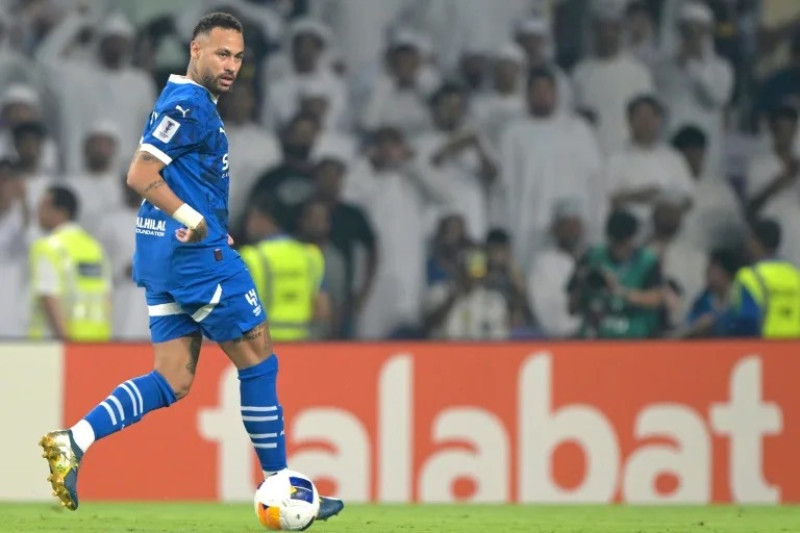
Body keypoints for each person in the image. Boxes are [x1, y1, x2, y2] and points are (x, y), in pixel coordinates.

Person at [38, 13, 344, 521]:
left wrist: (192, 216)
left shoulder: (183, 101)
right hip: (196, 258)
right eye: (222, 54)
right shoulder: (190, 103)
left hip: (163, 255)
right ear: (195, 49)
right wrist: (193, 218)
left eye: (239, 57)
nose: (232, 66)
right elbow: (139, 173)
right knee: (259, 359)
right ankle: (282, 486)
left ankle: (74, 440)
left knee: (173, 378)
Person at [499, 67, 603, 270]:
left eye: (547, 89)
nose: (542, 95)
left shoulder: (578, 129)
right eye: (536, 90)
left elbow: (594, 180)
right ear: (527, 94)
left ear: (556, 93)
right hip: (529, 224)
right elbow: (506, 184)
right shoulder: (513, 133)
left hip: (573, 225)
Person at [653, 1, 733, 176]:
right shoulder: (665, 68)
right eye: (688, 32)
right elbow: (661, 100)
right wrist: (681, 62)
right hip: (673, 142)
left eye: (699, 32)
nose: (693, 38)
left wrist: (695, 65)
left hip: (707, 146)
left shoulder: (721, 68)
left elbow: (716, 96)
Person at [239, 195, 331, 341]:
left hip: (262, 344)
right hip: (303, 343)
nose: (248, 225)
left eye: (252, 218)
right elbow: (322, 310)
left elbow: (238, 309)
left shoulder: (251, 257)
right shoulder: (311, 256)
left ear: (264, 219)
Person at [415, 81, 498, 240]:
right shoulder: (421, 142)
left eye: (458, 106)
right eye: (448, 106)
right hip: (437, 220)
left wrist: (478, 147)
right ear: (435, 108)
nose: (453, 112)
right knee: (442, 263)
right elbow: (431, 164)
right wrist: (454, 146)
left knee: (476, 263)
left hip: (473, 219)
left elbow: (493, 175)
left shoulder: (475, 138)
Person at [28, 185, 111, 341]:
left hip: (56, 349)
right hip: (98, 344)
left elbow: (49, 297)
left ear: (61, 211)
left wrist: (68, 345)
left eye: (43, 206)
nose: (38, 212)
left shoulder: (48, 247)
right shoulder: (95, 248)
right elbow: (107, 298)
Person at [571, 3, 654, 154]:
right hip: (588, 151)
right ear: (594, 32)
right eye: (602, 29)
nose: (607, 35)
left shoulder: (638, 72)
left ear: (620, 32)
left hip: (626, 153)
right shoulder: (580, 72)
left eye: (612, 29)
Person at [568, 210, 664, 339]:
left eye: (623, 243)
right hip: (596, 333)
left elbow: (657, 298)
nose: (620, 249)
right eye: (615, 243)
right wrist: (585, 286)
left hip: (636, 335)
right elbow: (571, 308)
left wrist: (619, 291)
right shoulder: (592, 257)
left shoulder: (647, 261)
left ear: (632, 239)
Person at [313, 149, 378, 338]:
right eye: (325, 175)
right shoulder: (304, 209)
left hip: (343, 297)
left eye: (335, 176)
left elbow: (373, 250)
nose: (330, 181)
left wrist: (364, 290)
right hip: (307, 295)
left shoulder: (352, 214)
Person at [698, 219, 800, 338]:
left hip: (764, 348)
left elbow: (747, 321)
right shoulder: (795, 274)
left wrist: (716, 325)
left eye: (750, 239)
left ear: (756, 242)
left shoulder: (750, 276)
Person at [606, 95, 694, 224]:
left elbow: (688, 198)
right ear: (629, 121)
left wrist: (669, 211)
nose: (646, 122)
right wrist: (638, 196)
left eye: (651, 117)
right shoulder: (615, 159)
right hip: (630, 234)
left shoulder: (673, 158)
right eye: (640, 117)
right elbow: (609, 200)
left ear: (659, 120)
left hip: (670, 231)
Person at [671, 125, 745, 252]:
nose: (693, 158)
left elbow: (736, 228)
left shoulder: (720, 189)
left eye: (697, 152)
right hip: (678, 256)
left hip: (714, 259)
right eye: (687, 153)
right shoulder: (668, 188)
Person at [248, 112, 320, 235]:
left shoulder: (320, 177)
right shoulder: (271, 178)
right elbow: (256, 216)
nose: (303, 138)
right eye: (299, 133)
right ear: (288, 136)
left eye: (308, 133)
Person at [746, 105, 800, 267]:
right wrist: (781, 179)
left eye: (789, 130)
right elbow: (751, 207)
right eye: (781, 129)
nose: (785, 135)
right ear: (773, 130)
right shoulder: (759, 164)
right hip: (770, 234)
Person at [528, 199, 584, 338]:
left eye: (575, 225)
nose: (572, 231)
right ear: (556, 229)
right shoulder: (544, 263)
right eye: (567, 225)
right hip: (559, 340)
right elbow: (545, 309)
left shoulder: (591, 258)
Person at [682, 248, 742, 337]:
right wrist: (698, 325)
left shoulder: (741, 297)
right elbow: (688, 324)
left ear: (726, 274)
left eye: (712, 270)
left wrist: (718, 323)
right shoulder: (703, 299)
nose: (706, 273)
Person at [0, 158, 29, 338]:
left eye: (7, 181)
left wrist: (24, 201)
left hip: (13, 313)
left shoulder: (23, 218)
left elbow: (24, 240)